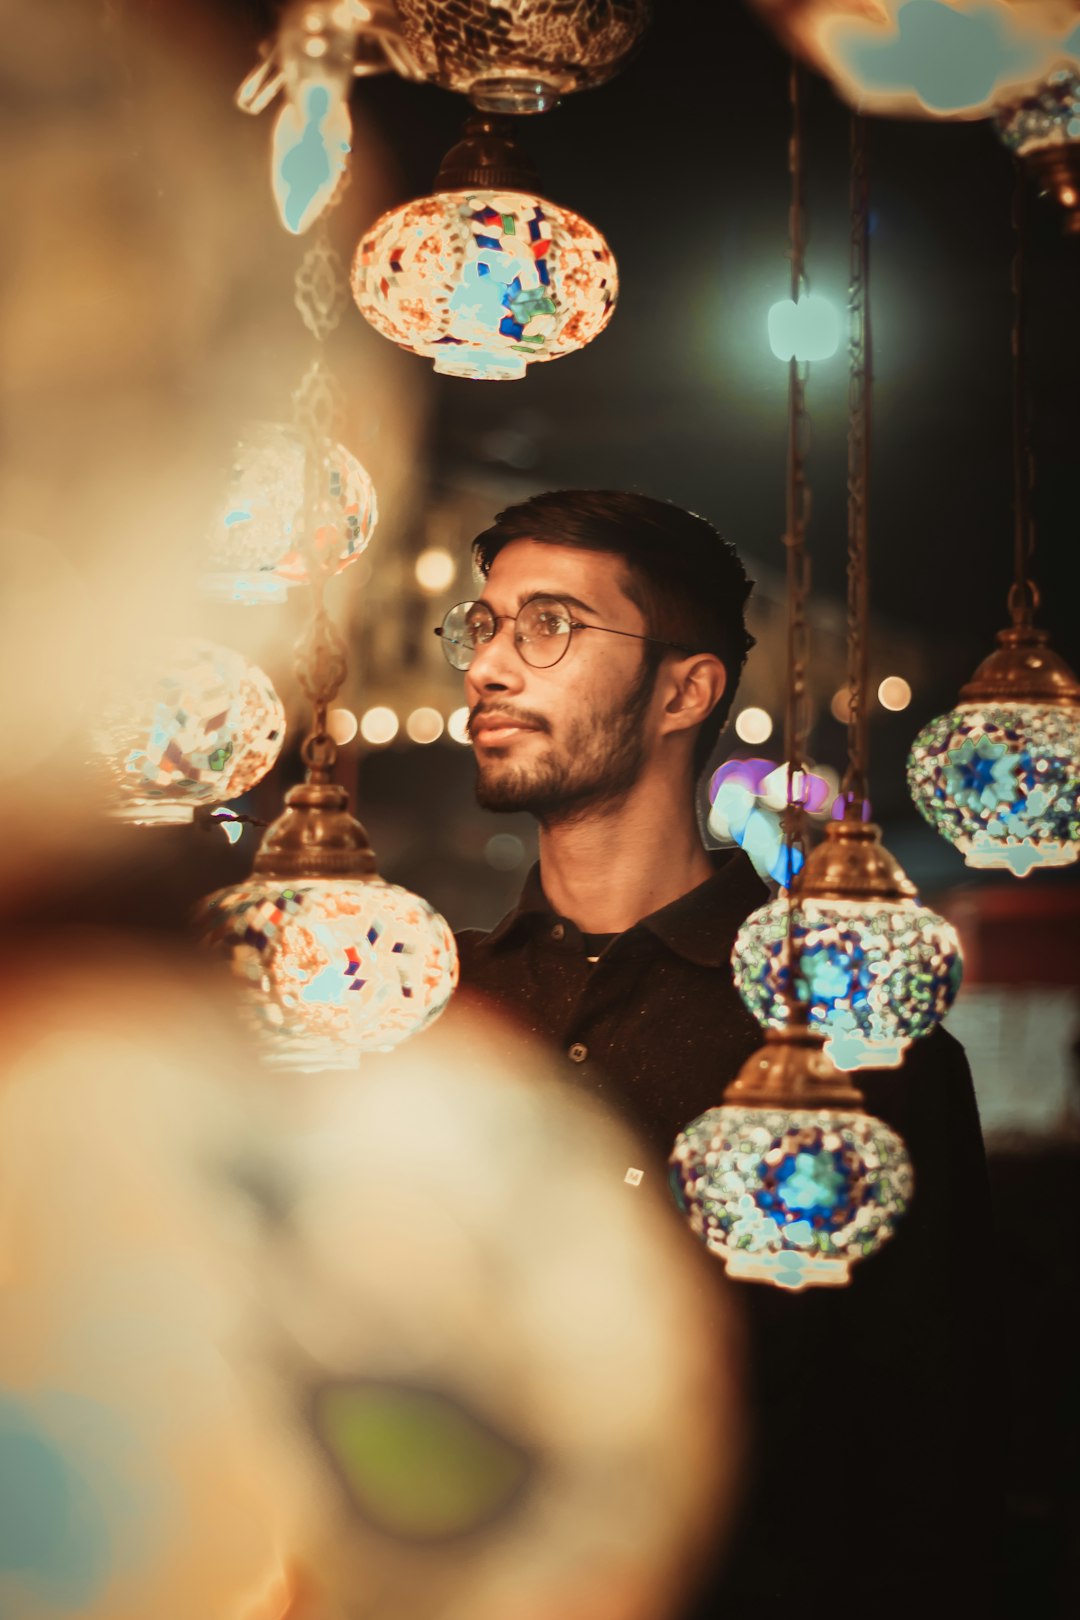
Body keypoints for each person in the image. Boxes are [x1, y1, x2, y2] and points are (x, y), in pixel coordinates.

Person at [441, 489, 1001, 1614]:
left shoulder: (851, 1046)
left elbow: (934, 1467)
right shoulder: (419, 1011)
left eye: (548, 625)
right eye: (487, 625)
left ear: (685, 690)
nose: (490, 668)